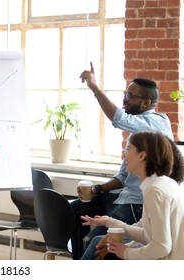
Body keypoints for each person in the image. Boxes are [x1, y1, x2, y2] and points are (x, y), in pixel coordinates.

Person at [71, 62, 173, 259]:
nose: (124, 100)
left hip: (135, 202)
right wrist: (98, 189)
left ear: (146, 103)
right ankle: (79, 257)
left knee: (95, 240)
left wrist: (94, 86)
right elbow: (125, 174)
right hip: (123, 194)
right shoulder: (137, 132)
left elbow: (118, 118)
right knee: (73, 211)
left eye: (129, 96)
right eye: (125, 94)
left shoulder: (155, 123)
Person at [81, 131, 184, 260]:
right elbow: (148, 234)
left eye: (128, 149)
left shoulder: (154, 191)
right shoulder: (163, 184)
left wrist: (126, 252)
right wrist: (109, 222)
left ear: (142, 156)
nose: (124, 155)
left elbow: (161, 247)